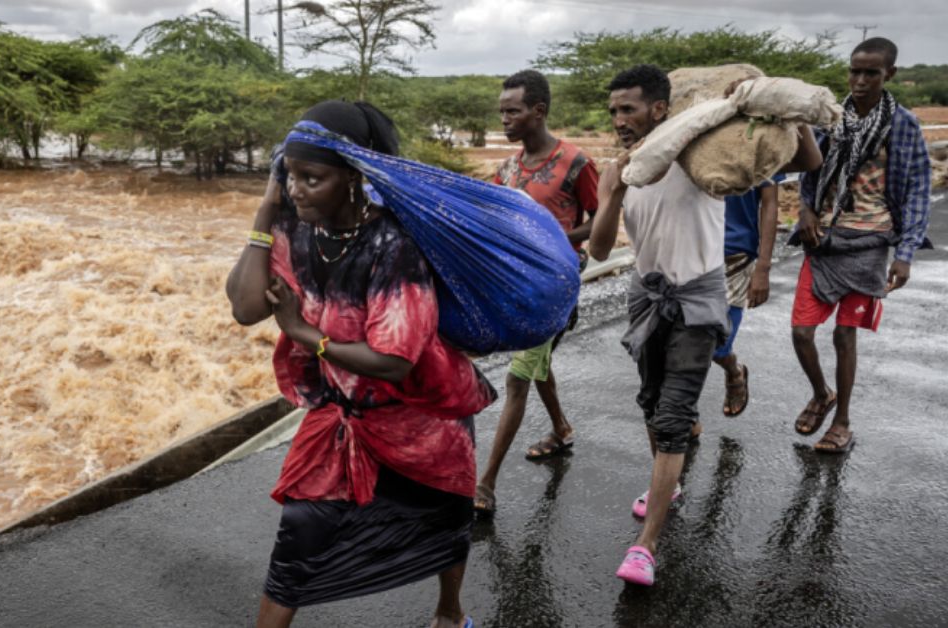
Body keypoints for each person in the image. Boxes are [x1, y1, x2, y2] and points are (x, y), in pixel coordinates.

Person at [225, 100, 494, 628]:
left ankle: (449, 613)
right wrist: (263, 215)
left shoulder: (393, 246)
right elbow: (246, 308)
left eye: (312, 177)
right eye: (290, 175)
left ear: (351, 179)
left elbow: (393, 361)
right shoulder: (297, 229)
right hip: (341, 416)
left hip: (421, 418)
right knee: (300, 530)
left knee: (444, 521)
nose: (296, 189)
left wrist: (305, 333)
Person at [589, 65, 820, 586]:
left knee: (673, 415)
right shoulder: (620, 169)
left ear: (660, 110)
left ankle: (646, 546)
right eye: (613, 111)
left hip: (698, 299)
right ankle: (667, 486)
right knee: (651, 403)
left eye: (629, 109)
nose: (619, 120)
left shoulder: (705, 157)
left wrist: (781, 103)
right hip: (647, 298)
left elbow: (809, 159)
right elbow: (600, 248)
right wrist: (616, 190)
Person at [790, 37, 932, 453]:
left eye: (871, 72)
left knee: (844, 336)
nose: (860, 79)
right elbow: (809, 171)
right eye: (855, 70)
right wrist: (806, 211)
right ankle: (821, 393)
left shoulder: (902, 124)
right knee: (801, 333)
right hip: (825, 241)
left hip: (870, 241)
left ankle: (843, 421)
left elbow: (918, 191)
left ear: (889, 74)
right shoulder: (832, 120)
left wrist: (904, 255)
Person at [473, 69, 598, 517]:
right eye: (501, 111)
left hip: (555, 285)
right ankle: (562, 428)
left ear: (538, 111)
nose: (504, 120)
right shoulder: (506, 169)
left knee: (518, 375)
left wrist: (554, 240)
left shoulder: (576, 163)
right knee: (537, 361)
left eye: (513, 111)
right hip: (515, 284)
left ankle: (485, 483)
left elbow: (603, 221)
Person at [714, 173, 785, 416]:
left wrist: (763, 267)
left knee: (717, 346)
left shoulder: (762, 139)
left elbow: (770, 202)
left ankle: (734, 371)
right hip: (693, 250)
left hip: (737, 254)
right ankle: (683, 412)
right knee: (684, 339)